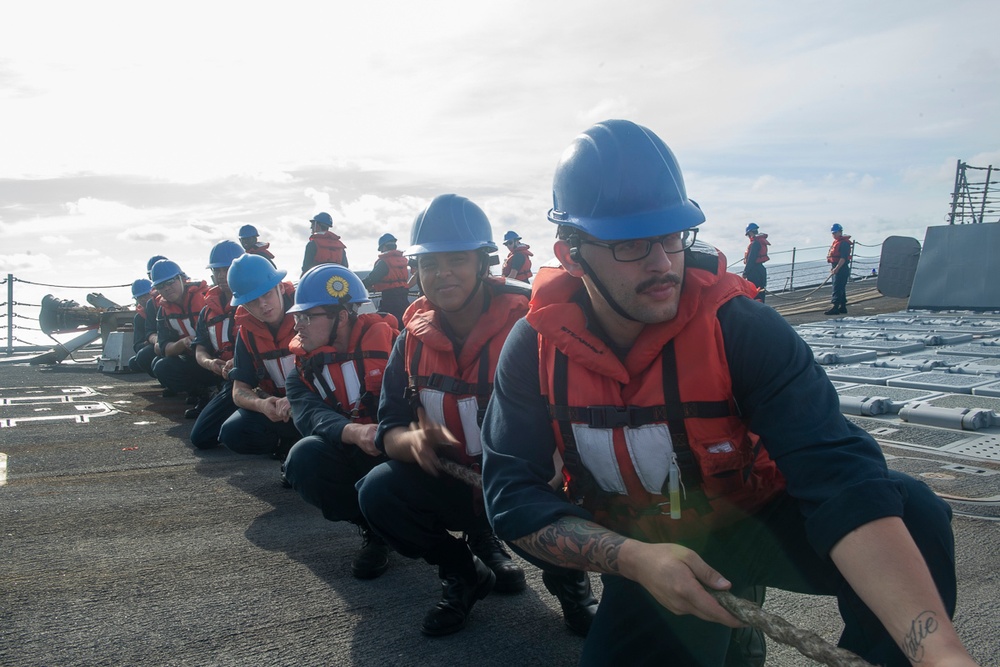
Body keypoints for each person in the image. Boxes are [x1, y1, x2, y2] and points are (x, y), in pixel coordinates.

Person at [481, 120, 976, 667]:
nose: (662, 263)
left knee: (912, 509)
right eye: (631, 245)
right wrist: (635, 560)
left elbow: (840, 476)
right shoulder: (535, 348)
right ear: (571, 255)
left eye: (673, 236)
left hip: (759, 519)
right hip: (651, 547)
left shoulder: (741, 329)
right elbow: (511, 495)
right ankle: (728, 636)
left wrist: (938, 651)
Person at [357, 194, 598, 639]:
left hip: (530, 487)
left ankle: (571, 586)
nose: (442, 273)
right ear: (416, 271)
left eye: (456, 260)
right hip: (455, 482)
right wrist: (407, 443)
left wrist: (561, 468)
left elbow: (579, 412)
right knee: (378, 492)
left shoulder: (531, 327)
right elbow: (389, 425)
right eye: (430, 264)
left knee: (562, 517)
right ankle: (464, 572)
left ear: (483, 262)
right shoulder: (409, 340)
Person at [283, 264, 399, 579]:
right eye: (296, 317)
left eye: (307, 317)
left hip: (403, 451)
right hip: (354, 450)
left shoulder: (397, 349)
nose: (298, 327)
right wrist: (354, 432)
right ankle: (373, 529)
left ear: (342, 317)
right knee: (303, 457)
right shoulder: (302, 372)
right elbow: (309, 416)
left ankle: (480, 536)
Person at [220, 254, 301, 466]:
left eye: (267, 294)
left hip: (315, 407)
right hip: (279, 411)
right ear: (243, 306)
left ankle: (302, 450)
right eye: (252, 301)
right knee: (232, 432)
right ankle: (287, 444)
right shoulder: (247, 333)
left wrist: (298, 401)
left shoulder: (308, 316)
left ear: (281, 288)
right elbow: (238, 391)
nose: (263, 305)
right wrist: (262, 405)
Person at [189, 241, 244, 444]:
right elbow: (200, 349)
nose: (221, 275)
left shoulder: (255, 303)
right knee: (201, 438)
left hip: (252, 378)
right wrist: (210, 363)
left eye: (226, 269)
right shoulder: (207, 311)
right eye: (217, 270)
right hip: (226, 378)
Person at [149, 259, 218, 406]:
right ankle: (202, 393)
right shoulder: (163, 312)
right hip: (195, 361)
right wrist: (183, 342)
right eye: (161, 286)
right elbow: (165, 349)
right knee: (161, 366)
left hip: (219, 358)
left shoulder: (207, 298)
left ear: (182, 279)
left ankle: (220, 390)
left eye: (170, 282)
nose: (167, 288)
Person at [362, 233, 411, 327]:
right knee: (403, 322)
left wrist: (359, 285)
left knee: (384, 322)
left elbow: (372, 278)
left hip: (390, 299)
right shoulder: (402, 260)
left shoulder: (383, 262)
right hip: (403, 298)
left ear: (384, 247)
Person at [127, 278, 156, 375]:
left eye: (146, 295)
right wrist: (148, 343)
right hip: (154, 346)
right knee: (136, 360)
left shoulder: (165, 308)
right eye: (140, 297)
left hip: (170, 346)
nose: (143, 299)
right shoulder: (139, 318)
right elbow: (137, 345)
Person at [826, 223, 852, 315]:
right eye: (832, 233)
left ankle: (835, 307)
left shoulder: (844, 243)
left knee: (837, 287)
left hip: (841, 268)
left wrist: (837, 268)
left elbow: (843, 258)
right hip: (837, 267)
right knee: (841, 287)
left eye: (835, 233)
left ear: (840, 232)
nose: (833, 235)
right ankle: (843, 306)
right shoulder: (837, 242)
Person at [741, 223, 768, 303]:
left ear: (750, 233)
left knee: (755, 292)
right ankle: (762, 308)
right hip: (761, 270)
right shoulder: (759, 242)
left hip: (754, 272)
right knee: (761, 292)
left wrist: (745, 273)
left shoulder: (754, 244)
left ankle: (758, 310)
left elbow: (751, 260)